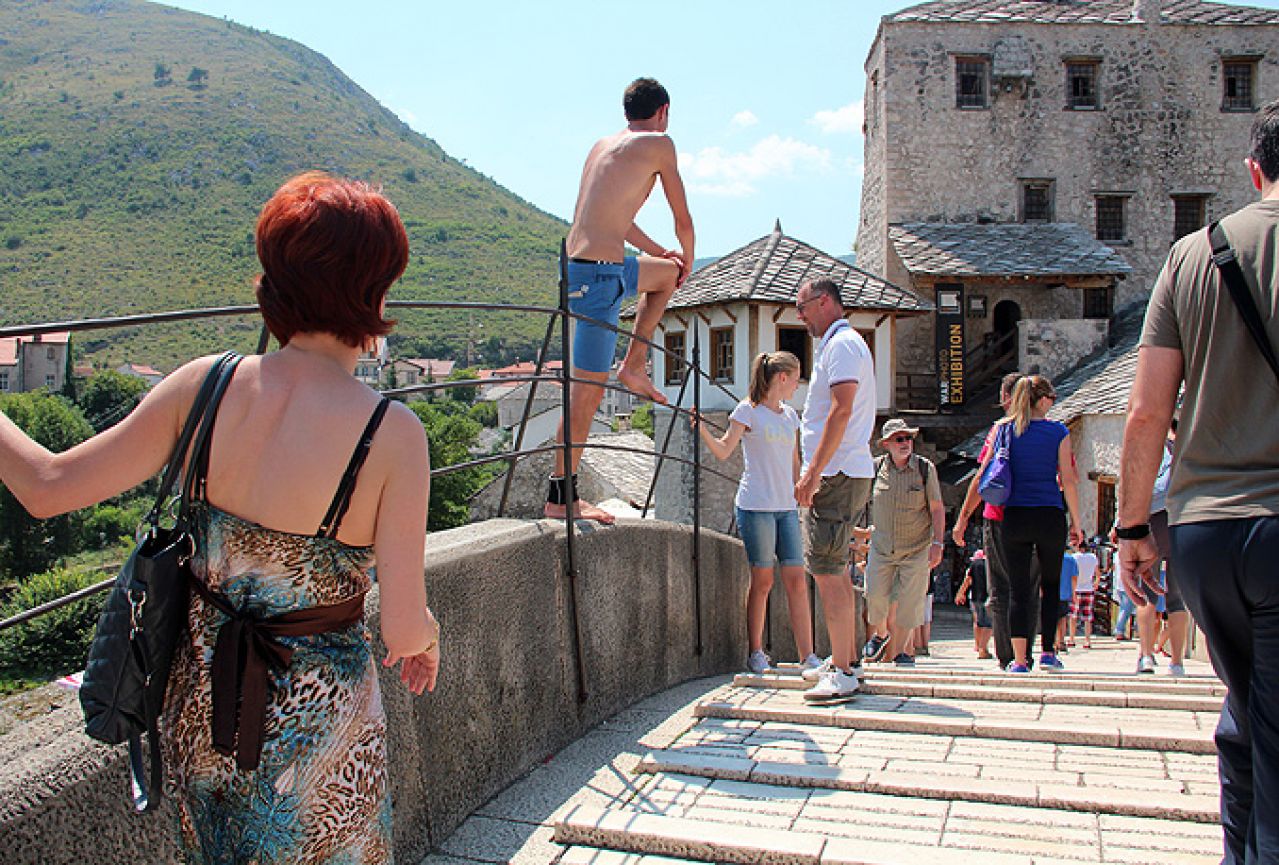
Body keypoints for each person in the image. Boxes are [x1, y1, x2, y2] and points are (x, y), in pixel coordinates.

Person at [0, 173, 441, 861]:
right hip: (317, 735)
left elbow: (45, 483)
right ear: (374, 290)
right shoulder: (391, 432)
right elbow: (404, 625)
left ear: (275, 281)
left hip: (198, 711)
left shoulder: (203, 385)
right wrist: (427, 637)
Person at [1118, 101, 1279, 863]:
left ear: (1253, 170)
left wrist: (1127, 529)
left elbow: (1147, 410)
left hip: (1205, 532)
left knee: (1245, 715)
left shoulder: (1195, 252)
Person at [546, 77, 694, 525]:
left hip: (594, 268)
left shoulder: (602, 146)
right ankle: (560, 499)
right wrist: (688, 255)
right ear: (663, 110)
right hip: (596, 278)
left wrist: (666, 257)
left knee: (664, 275)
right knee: (585, 395)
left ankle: (633, 364)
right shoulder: (660, 144)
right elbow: (682, 217)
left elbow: (619, 222)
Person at [692, 351, 820, 674]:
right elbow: (724, 451)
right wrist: (702, 430)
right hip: (756, 506)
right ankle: (756, 652)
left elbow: (795, 464)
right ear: (782, 378)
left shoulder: (791, 416)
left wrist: (803, 491)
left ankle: (808, 656)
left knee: (796, 581)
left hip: (786, 508)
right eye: (796, 378)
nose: (797, 385)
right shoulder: (747, 410)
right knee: (762, 580)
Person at [793, 278, 877, 701]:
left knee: (827, 572)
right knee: (837, 570)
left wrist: (812, 472)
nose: (799, 314)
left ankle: (843, 670)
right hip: (846, 468)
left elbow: (841, 411)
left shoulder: (841, 345)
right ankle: (845, 659)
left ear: (824, 301)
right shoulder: (847, 343)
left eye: (803, 305)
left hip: (837, 471)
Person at [976, 375, 1084, 674]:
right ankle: (1048, 651)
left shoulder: (1004, 430)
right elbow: (1069, 480)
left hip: (1015, 515)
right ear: (1043, 399)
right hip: (1049, 513)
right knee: (1050, 586)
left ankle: (1020, 660)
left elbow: (985, 470)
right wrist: (1077, 522)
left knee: (1018, 589)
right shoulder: (1058, 432)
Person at [951, 372, 1023, 669]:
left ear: (1006, 398)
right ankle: (1028, 650)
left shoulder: (1000, 431)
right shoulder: (1052, 430)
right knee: (1027, 586)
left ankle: (1007, 654)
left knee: (1001, 587)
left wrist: (963, 518)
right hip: (1035, 513)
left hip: (1000, 515)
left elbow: (983, 476)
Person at [861, 419, 945, 668]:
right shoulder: (875, 469)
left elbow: (937, 508)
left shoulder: (925, 469)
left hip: (916, 547)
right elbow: (860, 502)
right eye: (899, 439)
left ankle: (903, 653)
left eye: (908, 438)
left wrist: (938, 543)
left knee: (911, 601)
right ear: (886, 444)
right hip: (882, 546)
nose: (905, 443)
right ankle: (881, 634)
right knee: (874, 594)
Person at [1134, 423, 1189, 676]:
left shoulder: (1148, 448)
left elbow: (1133, 488)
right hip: (1181, 522)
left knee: (1146, 593)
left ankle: (1146, 656)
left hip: (1152, 522)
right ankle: (1176, 662)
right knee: (1177, 598)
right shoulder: (1189, 447)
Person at [954, 550, 992, 659]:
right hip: (988, 596)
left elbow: (967, 580)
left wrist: (960, 593)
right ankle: (983, 649)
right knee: (988, 624)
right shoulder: (992, 563)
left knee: (978, 622)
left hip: (975, 597)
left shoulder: (974, 565)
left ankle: (977, 645)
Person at [1068, 543, 1099, 649]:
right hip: (1088, 588)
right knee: (1087, 617)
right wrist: (1096, 583)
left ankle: (1072, 638)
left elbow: (1072, 575)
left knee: (1073, 616)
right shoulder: (1093, 558)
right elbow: (1097, 573)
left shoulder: (1074, 557)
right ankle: (1087, 640)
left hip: (1076, 589)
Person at [1056, 547, 1078, 653]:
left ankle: (1054, 641)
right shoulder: (1070, 559)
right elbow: (1074, 578)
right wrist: (1074, 594)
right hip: (1065, 592)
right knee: (1063, 618)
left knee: (1052, 618)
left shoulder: (1049, 557)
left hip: (1050, 591)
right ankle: (1061, 641)